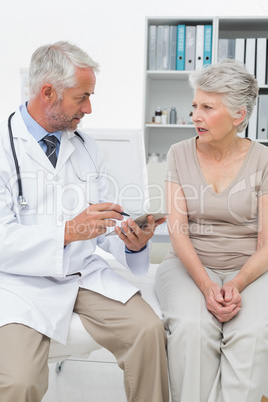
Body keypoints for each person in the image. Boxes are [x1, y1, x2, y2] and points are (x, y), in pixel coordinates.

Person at [0, 41, 169, 402]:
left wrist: (131, 241)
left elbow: (104, 223)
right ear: (48, 92)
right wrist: (67, 231)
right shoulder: (3, 146)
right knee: (19, 382)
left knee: (148, 331)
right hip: (18, 283)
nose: (89, 108)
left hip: (81, 274)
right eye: (82, 97)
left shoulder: (87, 146)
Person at [155, 59, 268, 402]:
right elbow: (178, 231)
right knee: (193, 328)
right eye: (194, 106)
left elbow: (267, 244)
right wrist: (207, 286)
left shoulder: (264, 160)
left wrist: (235, 283)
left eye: (207, 107)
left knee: (250, 332)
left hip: (251, 268)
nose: (195, 116)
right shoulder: (178, 153)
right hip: (188, 265)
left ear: (238, 116)